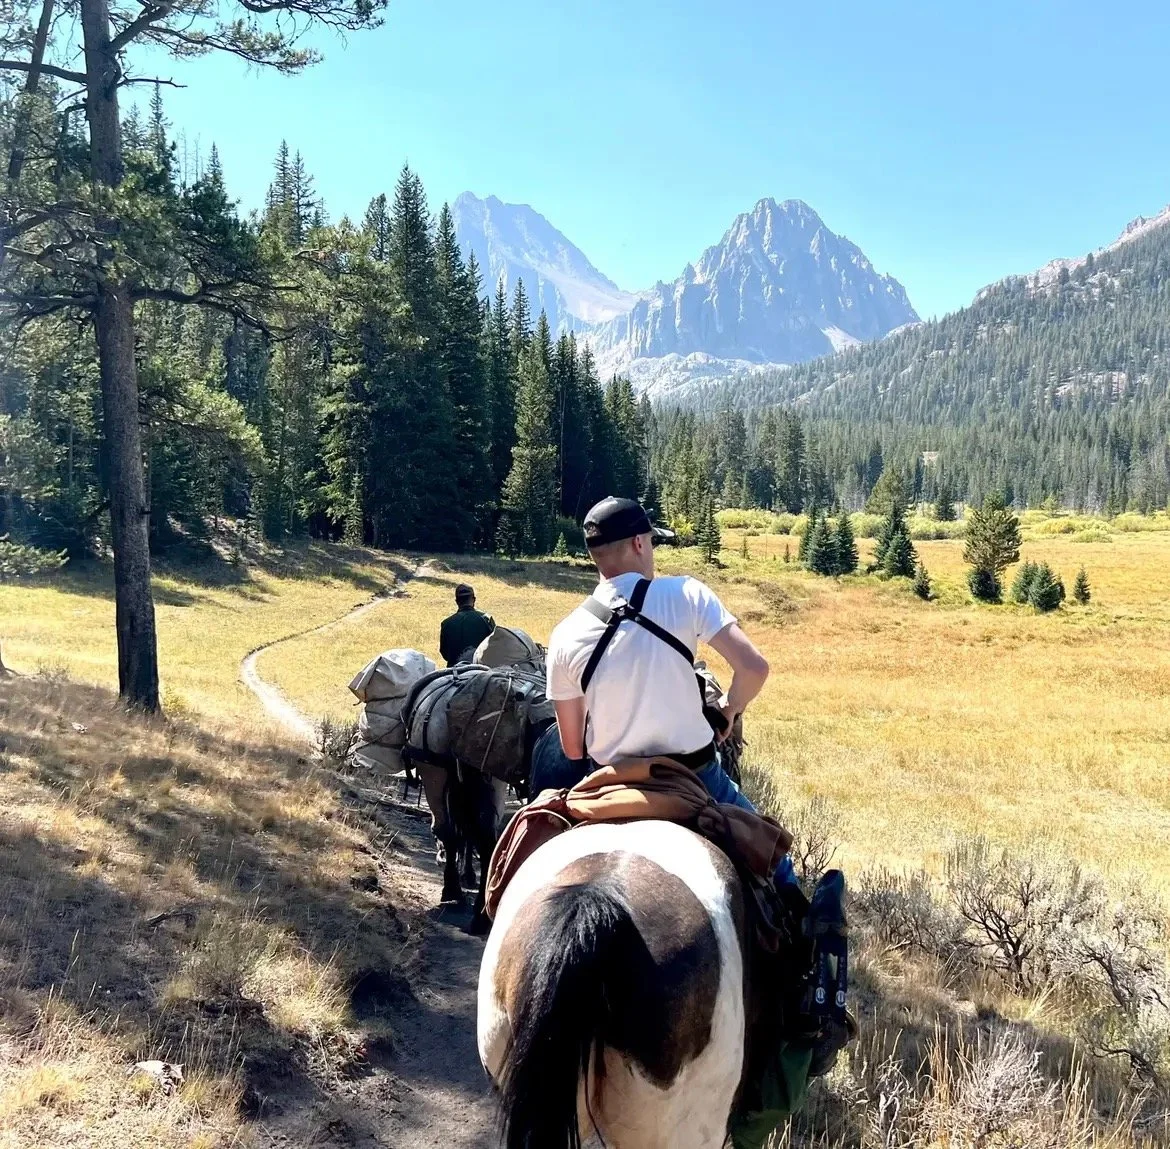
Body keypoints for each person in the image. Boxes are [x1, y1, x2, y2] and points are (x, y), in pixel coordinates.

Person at [542, 495, 797, 887]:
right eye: (652, 542)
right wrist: (729, 708)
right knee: (777, 864)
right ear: (639, 543)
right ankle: (807, 934)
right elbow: (754, 668)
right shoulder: (687, 594)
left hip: (608, 781)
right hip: (696, 776)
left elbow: (573, 748)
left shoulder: (564, 634)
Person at [439, 583, 495, 667]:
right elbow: (495, 647)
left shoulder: (446, 623)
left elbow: (445, 653)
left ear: (457, 601)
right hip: (482, 669)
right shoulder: (486, 619)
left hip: (454, 671)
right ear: (474, 599)